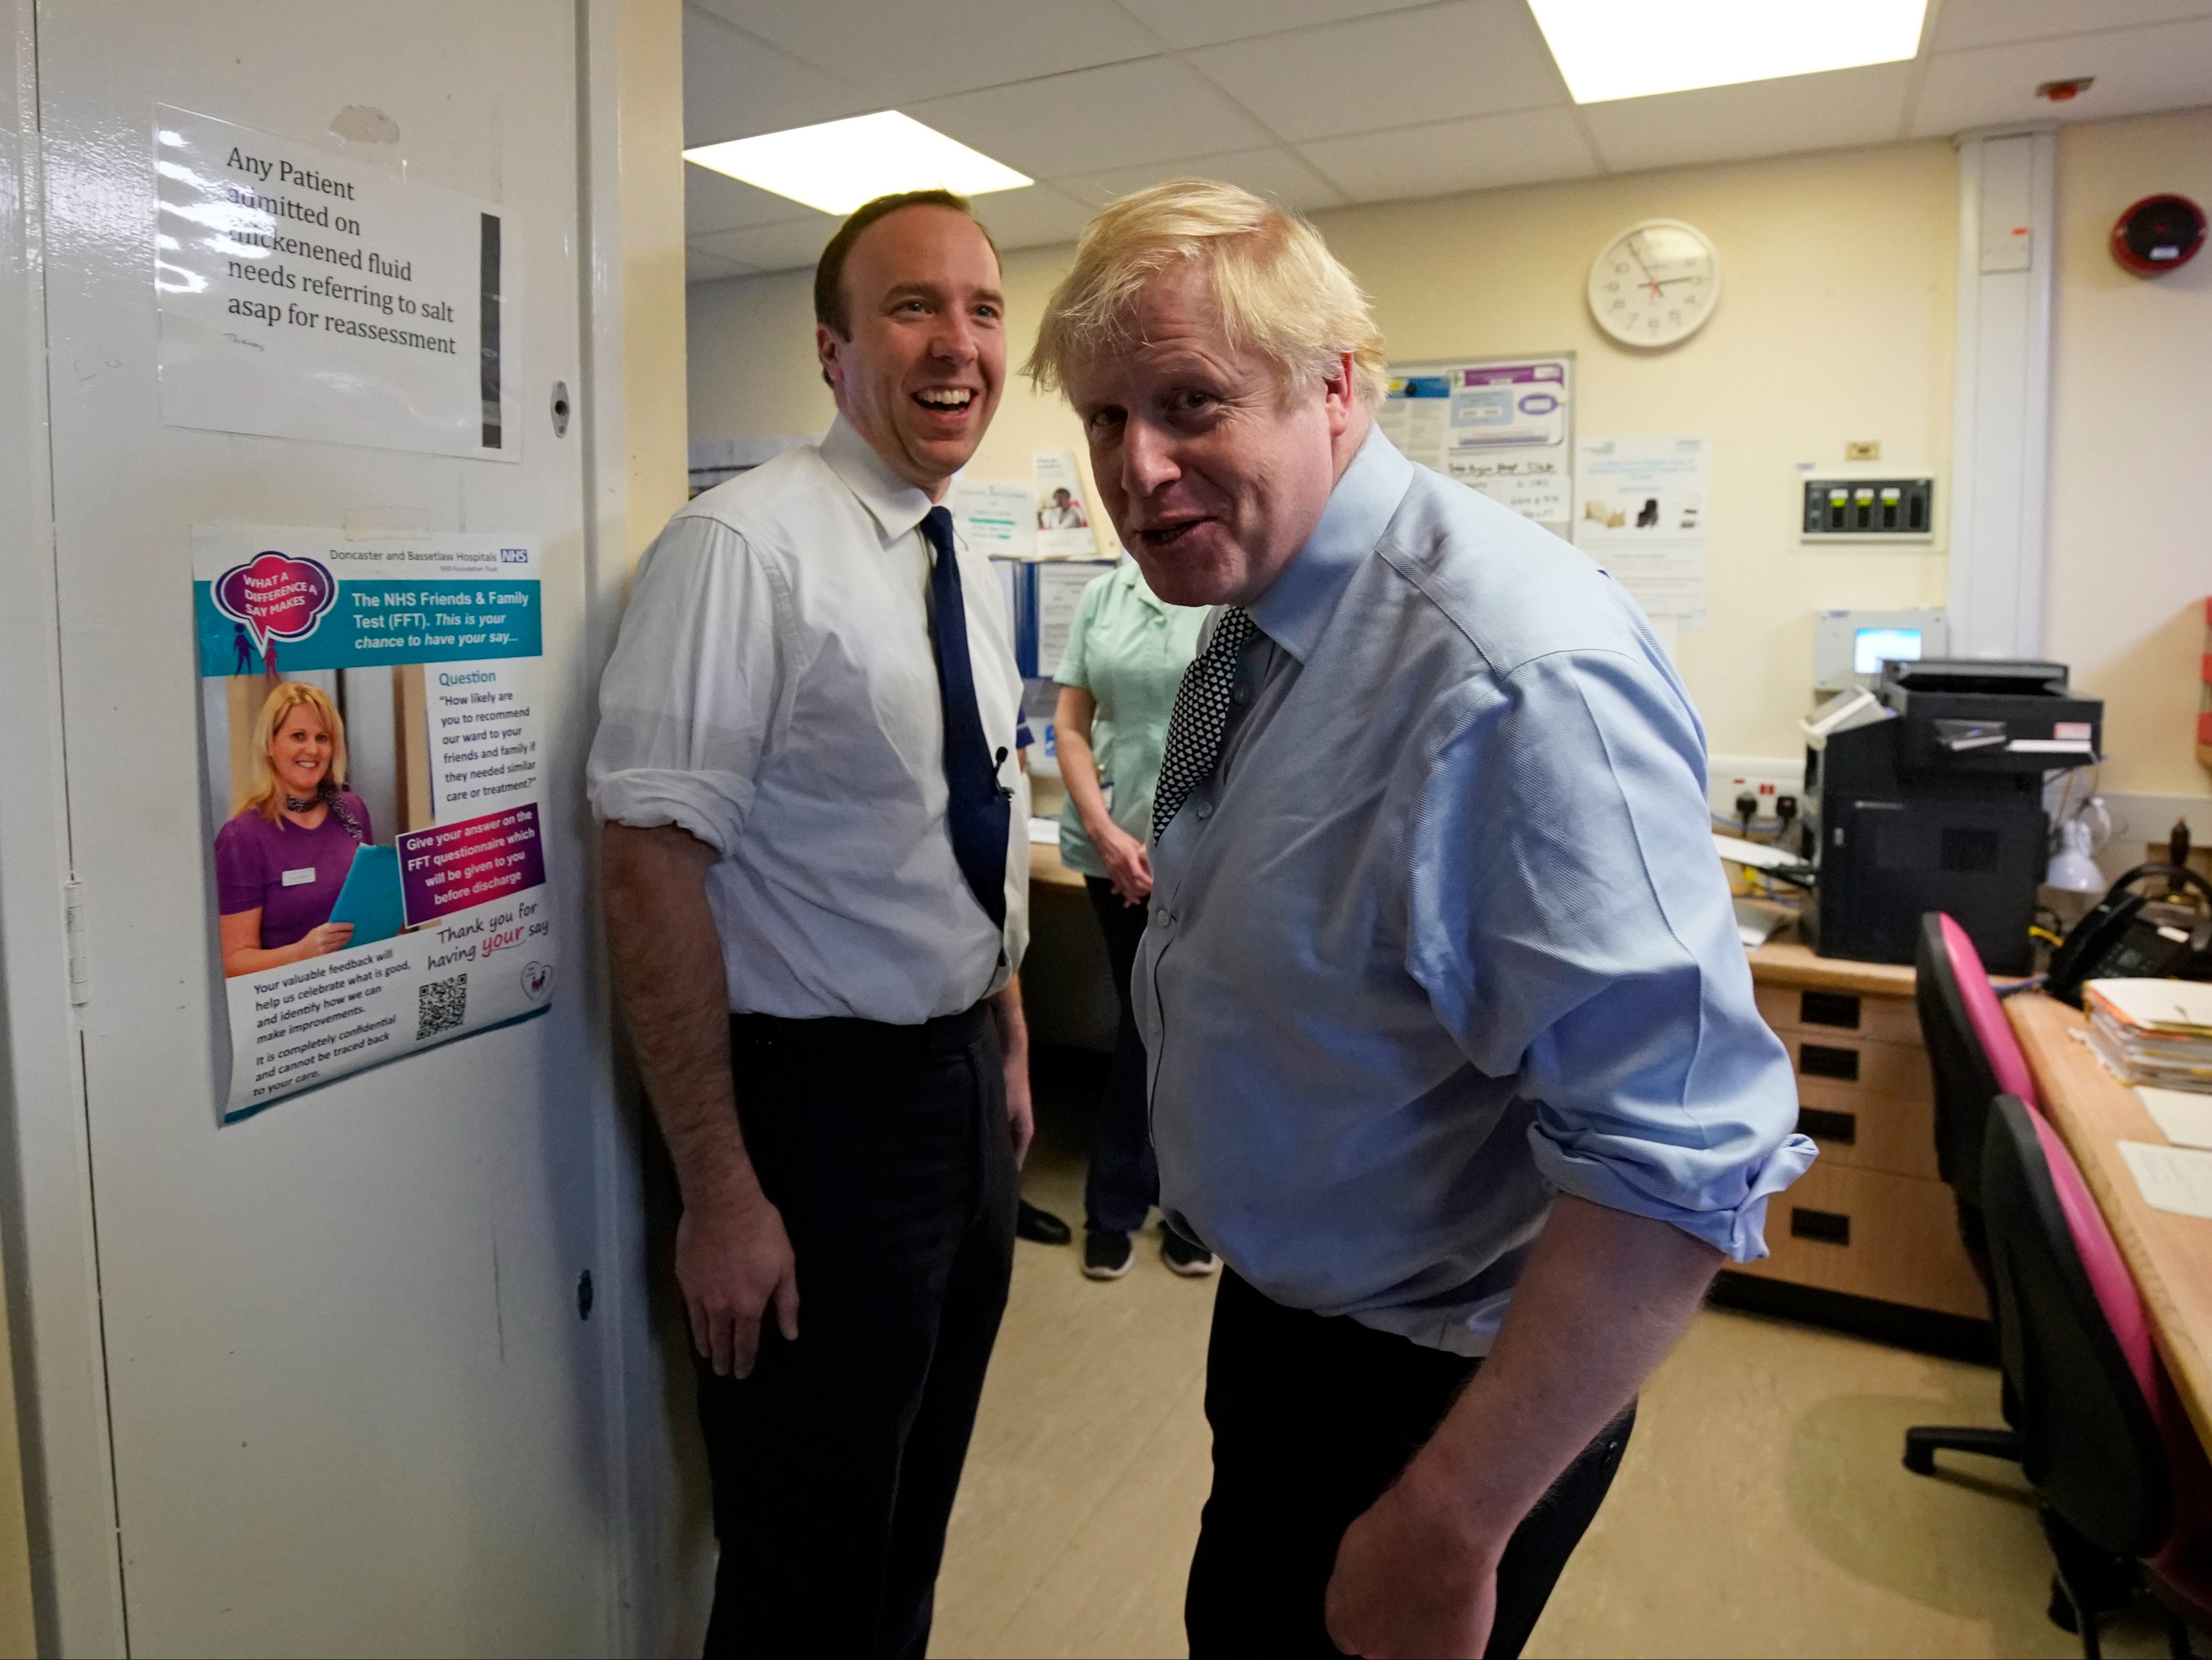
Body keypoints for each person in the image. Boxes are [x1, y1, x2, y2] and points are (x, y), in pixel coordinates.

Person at [1027, 180, 1813, 1660]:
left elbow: (1679, 1156)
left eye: (1189, 402)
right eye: (1101, 418)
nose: (1134, 468)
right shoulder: (1260, 621)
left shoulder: (1504, 675)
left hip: (1426, 1394)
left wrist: (1450, 1517)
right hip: (1294, 1323)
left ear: (1335, 386)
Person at [589, 189, 1042, 1660]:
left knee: (912, 1509)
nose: (955, 343)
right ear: (832, 351)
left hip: (956, 1087)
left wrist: (1009, 1038)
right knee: (803, 1543)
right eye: (912, 306)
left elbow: (961, 821)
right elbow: (648, 862)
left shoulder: (948, 555)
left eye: (980, 308)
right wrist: (718, 1188)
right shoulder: (743, 551)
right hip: (820, 1115)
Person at [1050, 558, 1215, 1279]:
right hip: (1106, 850)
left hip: (1203, 854)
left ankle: (1171, 1204)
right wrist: (1109, 835)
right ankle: (1130, 1204)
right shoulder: (1100, 596)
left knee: (1179, 1024)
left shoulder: (1223, 587)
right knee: (1143, 1019)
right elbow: (1071, 727)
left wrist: (1174, 849)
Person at [215, 681, 371, 977]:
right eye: (298, 736)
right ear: (271, 745)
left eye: (322, 738)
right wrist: (302, 954)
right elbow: (233, 963)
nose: (312, 750)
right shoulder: (242, 837)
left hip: (358, 988)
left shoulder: (352, 811)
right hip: (290, 1007)